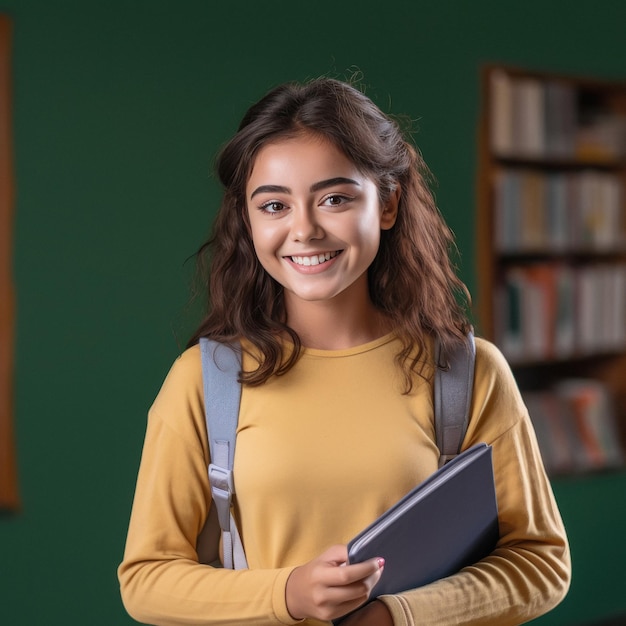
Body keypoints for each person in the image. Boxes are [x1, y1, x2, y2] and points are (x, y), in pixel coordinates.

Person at [118, 77, 571, 625]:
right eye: (274, 205)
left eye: (334, 198)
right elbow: (145, 580)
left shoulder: (469, 372)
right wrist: (288, 594)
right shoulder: (205, 379)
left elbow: (541, 563)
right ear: (248, 219)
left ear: (388, 202)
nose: (304, 229)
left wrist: (398, 615)